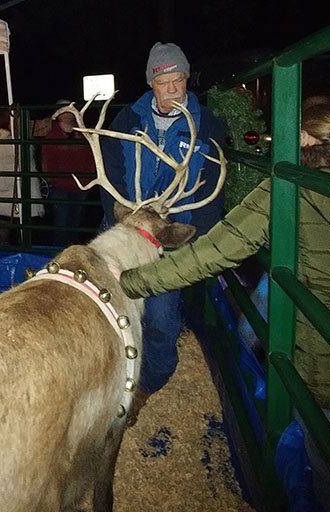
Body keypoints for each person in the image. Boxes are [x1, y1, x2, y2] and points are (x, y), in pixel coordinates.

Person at [119, 103, 330, 512]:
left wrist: (131, 280)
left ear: (305, 141)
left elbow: (212, 254)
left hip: (322, 369)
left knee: (328, 475)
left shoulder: (289, 188)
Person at [98, 42, 228, 419]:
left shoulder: (208, 126)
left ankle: (146, 384)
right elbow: (111, 174)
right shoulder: (127, 120)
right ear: (151, 84)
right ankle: (109, 371)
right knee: (110, 305)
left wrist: (188, 236)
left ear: (187, 79)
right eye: (164, 81)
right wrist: (119, 212)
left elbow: (209, 192)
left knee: (161, 317)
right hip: (124, 230)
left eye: (179, 80)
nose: (173, 89)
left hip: (166, 240)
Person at [35, 101, 96, 245]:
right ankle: (60, 250)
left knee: (76, 219)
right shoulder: (50, 132)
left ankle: (72, 250)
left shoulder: (81, 131)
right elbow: (46, 157)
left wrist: (91, 176)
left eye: (71, 108)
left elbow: (90, 155)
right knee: (62, 219)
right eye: (65, 109)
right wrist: (49, 177)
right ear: (58, 113)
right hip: (59, 184)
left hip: (81, 184)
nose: (69, 111)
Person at [0, 110, 43, 244]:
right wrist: (4, 185)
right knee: (3, 219)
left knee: (23, 220)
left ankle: (23, 246)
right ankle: (3, 245)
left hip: (23, 186)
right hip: (5, 188)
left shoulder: (24, 138)